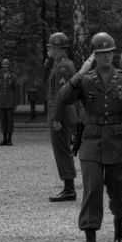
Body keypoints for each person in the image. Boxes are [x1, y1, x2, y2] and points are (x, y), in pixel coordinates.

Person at [56, 32, 122, 242]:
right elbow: (63, 98)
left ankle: (119, 220)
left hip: (117, 142)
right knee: (92, 190)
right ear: (94, 55)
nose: (106, 56)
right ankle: (90, 239)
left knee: (119, 187)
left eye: (109, 52)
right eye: (101, 53)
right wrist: (80, 72)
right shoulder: (86, 79)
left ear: (113, 53)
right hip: (91, 141)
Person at [46, 32, 80, 202]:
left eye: (50, 47)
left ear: (58, 48)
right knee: (63, 150)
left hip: (62, 115)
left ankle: (69, 189)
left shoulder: (62, 67)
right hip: (63, 114)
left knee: (63, 151)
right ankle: (68, 187)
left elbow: (61, 95)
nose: (48, 50)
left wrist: (57, 118)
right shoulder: (61, 64)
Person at [0, 59, 20, 146]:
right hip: (2, 101)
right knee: (3, 120)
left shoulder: (13, 76)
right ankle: (4, 138)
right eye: (3, 67)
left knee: (10, 121)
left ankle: (9, 139)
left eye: (6, 67)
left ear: (9, 67)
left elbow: (16, 90)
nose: (4, 69)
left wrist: (15, 103)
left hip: (10, 101)